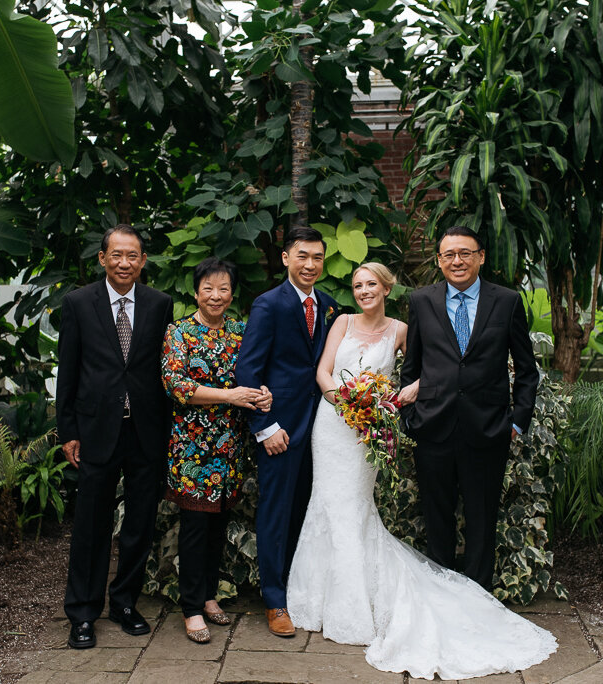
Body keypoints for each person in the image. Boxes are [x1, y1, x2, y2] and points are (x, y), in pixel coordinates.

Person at [287, 262, 556, 680]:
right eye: (357, 285)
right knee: (325, 502)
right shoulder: (340, 321)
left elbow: (427, 368)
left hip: (369, 428)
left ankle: (361, 606)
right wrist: (346, 402)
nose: (362, 291)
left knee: (354, 506)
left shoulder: (401, 328)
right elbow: (322, 371)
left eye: (370, 284)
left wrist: (390, 404)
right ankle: (322, 600)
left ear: (386, 288)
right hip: (333, 422)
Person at [400, 225, 540, 590]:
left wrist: (518, 422)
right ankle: (442, 601)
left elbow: (526, 370)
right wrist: (409, 418)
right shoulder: (421, 301)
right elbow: (411, 367)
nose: (457, 260)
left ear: (480, 257)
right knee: (437, 520)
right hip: (432, 428)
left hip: (488, 429)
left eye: (465, 253)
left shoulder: (506, 301)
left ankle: (479, 600)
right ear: (438, 261)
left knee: (481, 521)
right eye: (449, 255)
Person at [56, 224, 173, 649]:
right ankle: (83, 612)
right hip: (95, 431)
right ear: (103, 258)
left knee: (139, 524)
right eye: (117, 255)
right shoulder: (78, 303)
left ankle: (124, 603)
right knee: (90, 524)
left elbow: (165, 370)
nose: (125, 263)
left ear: (143, 261)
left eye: (133, 256)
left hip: (145, 430)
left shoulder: (160, 304)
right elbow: (67, 370)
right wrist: (68, 430)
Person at [235, 225, 339, 637]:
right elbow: (249, 369)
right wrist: (265, 428)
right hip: (279, 431)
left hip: (323, 432)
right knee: (276, 514)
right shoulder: (267, 305)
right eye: (302, 256)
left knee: (307, 513)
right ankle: (275, 600)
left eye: (317, 257)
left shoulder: (329, 306)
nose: (310, 264)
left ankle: (302, 591)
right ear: (285, 258)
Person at [160, 258, 272, 644]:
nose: (216, 295)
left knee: (217, 527)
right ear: (196, 292)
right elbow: (176, 385)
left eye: (223, 288)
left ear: (231, 293)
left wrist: (262, 393)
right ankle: (191, 609)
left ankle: (208, 597)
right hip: (193, 451)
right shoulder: (181, 333)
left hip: (229, 449)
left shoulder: (241, 332)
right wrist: (229, 395)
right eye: (208, 288)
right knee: (194, 529)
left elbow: (258, 373)